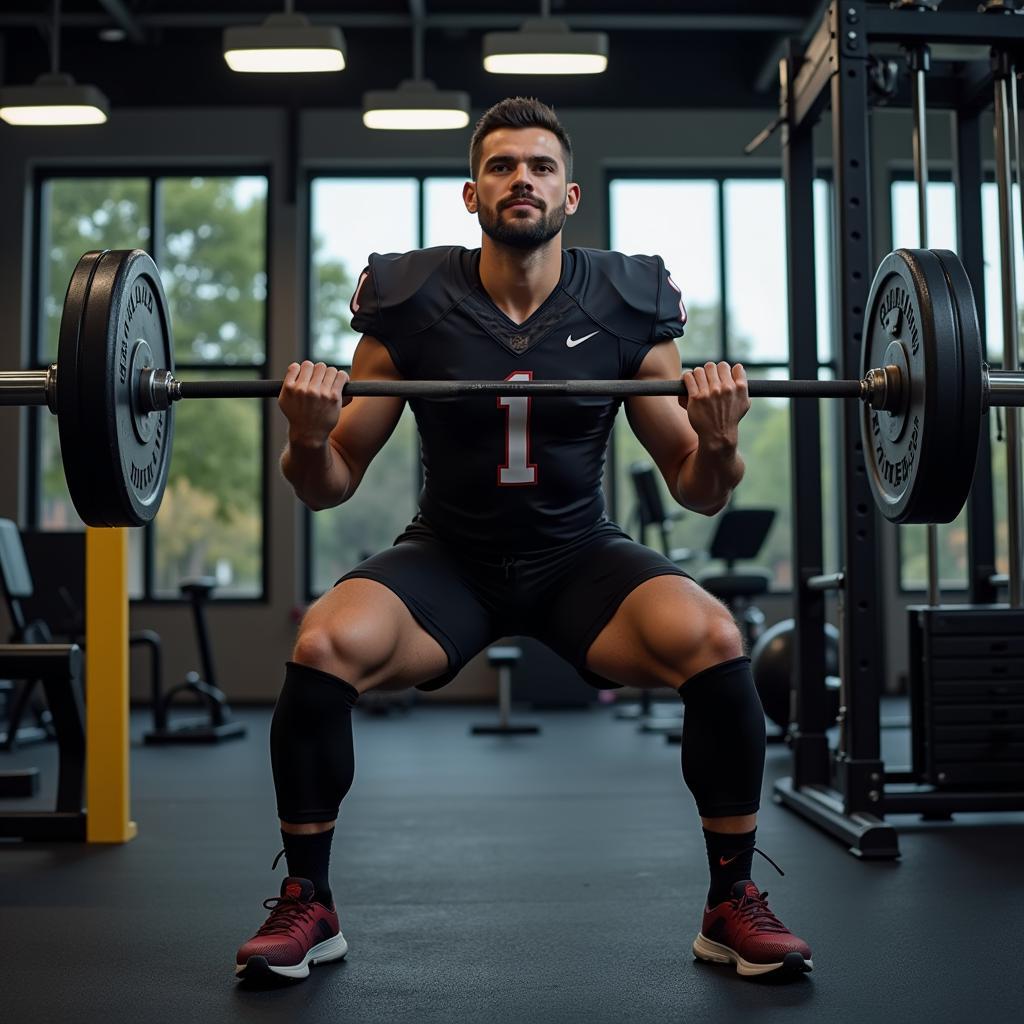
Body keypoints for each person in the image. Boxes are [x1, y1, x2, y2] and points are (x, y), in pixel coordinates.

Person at [234, 97, 813, 983]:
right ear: (471, 194)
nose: (522, 181)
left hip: (578, 557)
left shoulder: (626, 304)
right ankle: (308, 904)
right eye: (502, 167)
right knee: (322, 644)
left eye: (540, 167)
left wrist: (724, 438)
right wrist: (308, 435)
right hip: (448, 558)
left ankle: (729, 904)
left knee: (716, 640)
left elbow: (697, 490)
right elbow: (330, 483)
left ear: (569, 194)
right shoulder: (413, 302)